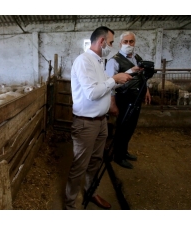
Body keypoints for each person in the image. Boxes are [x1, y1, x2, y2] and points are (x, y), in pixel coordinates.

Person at [64, 26, 132, 210]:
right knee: (80, 165)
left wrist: (125, 77)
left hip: (101, 122)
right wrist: (114, 79)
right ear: (102, 41)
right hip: (86, 123)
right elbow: (93, 93)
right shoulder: (84, 61)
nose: (111, 46)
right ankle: (70, 205)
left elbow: (104, 87)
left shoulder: (99, 61)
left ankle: (90, 192)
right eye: (110, 43)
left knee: (95, 162)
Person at [105, 31, 151, 169]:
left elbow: (142, 77)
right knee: (122, 127)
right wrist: (112, 104)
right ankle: (118, 156)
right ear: (120, 43)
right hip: (123, 98)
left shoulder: (137, 58)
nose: (129, 44)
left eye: (131, 42)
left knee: (131, 127)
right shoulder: (114, 61)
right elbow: (110, 84)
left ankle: (124, 152)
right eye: (125, 42)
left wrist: (146, 90)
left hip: (136, 98)